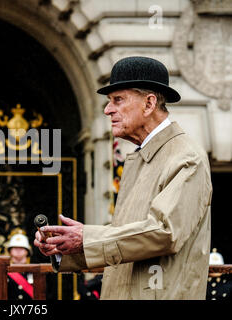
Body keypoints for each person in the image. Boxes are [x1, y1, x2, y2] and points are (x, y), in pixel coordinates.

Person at [34, 56, 212, 300]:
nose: (107, 110)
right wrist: (66, 247)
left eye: (118, 100)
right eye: (109, 102)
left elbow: (163, 232)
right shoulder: (141, 158)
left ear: (149, 104)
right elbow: (129, 240)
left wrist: (88, 238)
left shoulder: (186, 157)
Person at [6, 231, 34, 300]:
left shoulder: (34, 271)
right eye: (15, 248)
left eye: (21, 248)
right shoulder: (4, 272)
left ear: (27, 251)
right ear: (10, 251)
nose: (18, 251)